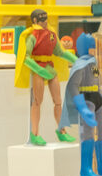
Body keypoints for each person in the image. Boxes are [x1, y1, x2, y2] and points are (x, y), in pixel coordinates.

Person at [60, 33, 102, 176]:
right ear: (86, 48)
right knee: (87, 134)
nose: (95, 50)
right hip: (87, 99)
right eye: (93, 47)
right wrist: (81, 107)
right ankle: (86, 168)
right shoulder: (80, 65)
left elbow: (98, 86)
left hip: (98, 98)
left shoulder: (93, 63)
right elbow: (73, 86)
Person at [14, 9, 76, 146]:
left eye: (45, 19)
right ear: (35, 20)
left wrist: (76, 59)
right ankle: (35, 134)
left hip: (49, 67)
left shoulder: (51, 34)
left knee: (58, 101)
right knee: (37, 101)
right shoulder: (32, 36)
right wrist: (39, 69)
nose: (44, 22)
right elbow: (25, 57)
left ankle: (62, 131)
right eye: (41, 19)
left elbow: (60, 52)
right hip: (38, 68)